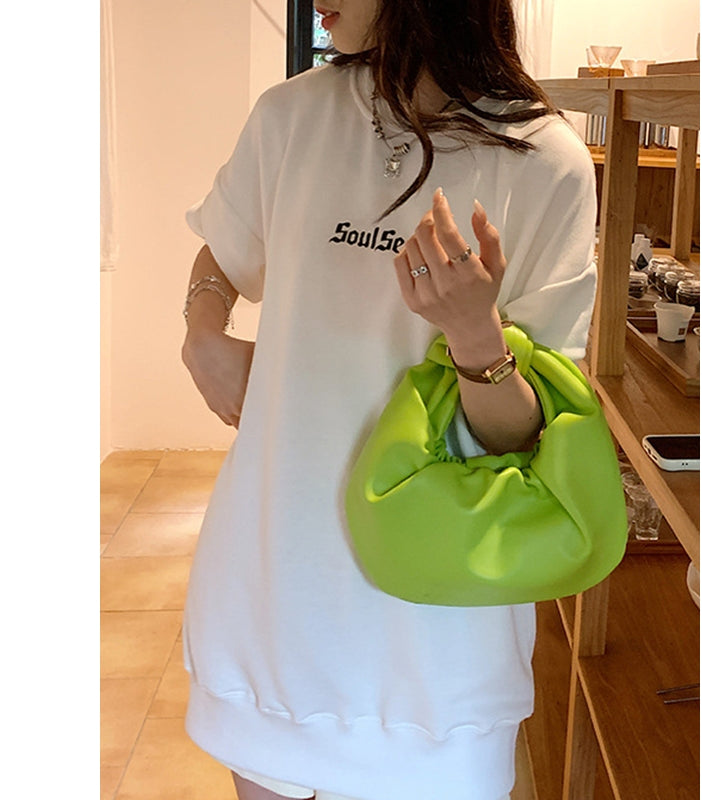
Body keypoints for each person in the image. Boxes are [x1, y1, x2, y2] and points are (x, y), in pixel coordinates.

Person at [180, 1, 597, 799]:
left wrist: (475, 337)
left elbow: (526, 443)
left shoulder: (548, 162)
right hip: (272, 585)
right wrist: (202, 334)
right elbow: (223, 253)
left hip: (437, 630)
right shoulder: (289, 117)